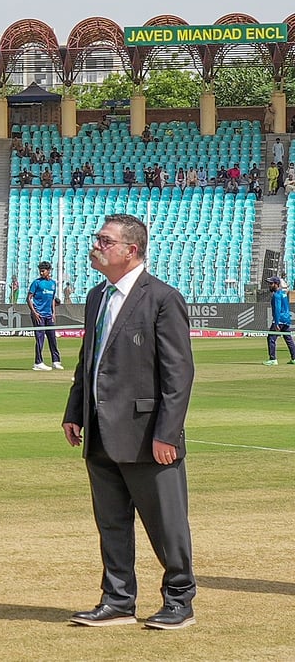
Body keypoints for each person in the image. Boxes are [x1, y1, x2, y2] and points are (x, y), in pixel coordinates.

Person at [63, 213, 197, 631]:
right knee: (111, 522)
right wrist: (74, 410)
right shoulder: (95, 297)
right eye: (98, 239)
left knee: (166, 524)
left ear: (130, 250)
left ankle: (179, 600)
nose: (96, 245)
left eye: (105, 240)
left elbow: (179, 373)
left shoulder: (161, 297)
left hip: (147, 435)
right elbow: (90, 361)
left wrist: (167, 433)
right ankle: (118, 600)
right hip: (100, 430)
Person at [28, 261, 63, 371]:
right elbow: (29, 298)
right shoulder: (36, 283)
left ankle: (56, 361)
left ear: (49, 271)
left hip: (48, 315)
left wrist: (53, 313)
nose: (41, 273)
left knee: (52, 338)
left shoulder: (53, 283)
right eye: (40, 271)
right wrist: (34, 312)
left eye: (43, 271)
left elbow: (52, 299)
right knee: (40, 339)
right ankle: (38, 362)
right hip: (39, 314)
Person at [263, 276, 295, 365]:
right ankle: (294, 358)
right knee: (288, 339)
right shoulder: (283, 294)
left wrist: (276, 322)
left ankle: (273, 359)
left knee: (271, 338)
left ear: (276, 284)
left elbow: (277, 309)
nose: (269, 285)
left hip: (279, 320)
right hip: (286, 319)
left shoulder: (276, 295)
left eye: (271, 283)